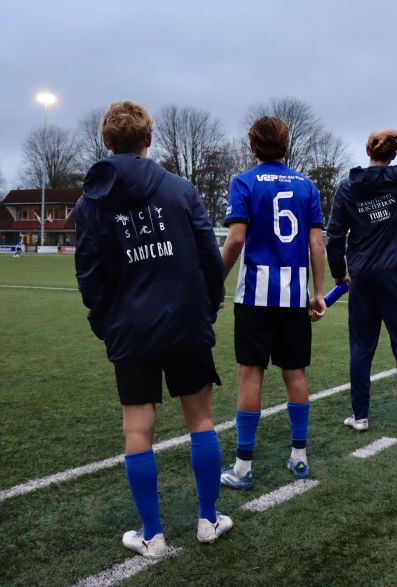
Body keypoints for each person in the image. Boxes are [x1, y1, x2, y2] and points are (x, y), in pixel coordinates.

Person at [74, 101, 230, 557]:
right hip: (185, 321)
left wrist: (106, 322)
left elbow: (89, 273)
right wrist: (209, 305)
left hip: (130, 328)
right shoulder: (180, 190)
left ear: (107, 141)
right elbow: (209, 255)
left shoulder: (91, 201)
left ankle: (152, 535)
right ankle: (208, 520)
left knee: (137, 429)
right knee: (200, 419)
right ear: (148, 138)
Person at [218, 116, 327, 491]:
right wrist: (318, 292)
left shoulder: (244, 182)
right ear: (286, 144)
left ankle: (243, 467)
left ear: (253, 145)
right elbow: (316, 243)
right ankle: (299, 456)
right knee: (294, 374)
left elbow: (235, 239)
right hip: (295, 296)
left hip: (255, 295)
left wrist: (214, 281)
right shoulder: (306, 185)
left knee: (250, 375)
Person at [326, 127, 397, 433]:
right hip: (395, 274)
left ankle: (360, 416)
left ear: (367, 151)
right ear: (394, 153)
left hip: (361, 276)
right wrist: (395, 131)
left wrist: (338, 272)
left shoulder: (348, 188)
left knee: (361, 347)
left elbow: (334, 236)